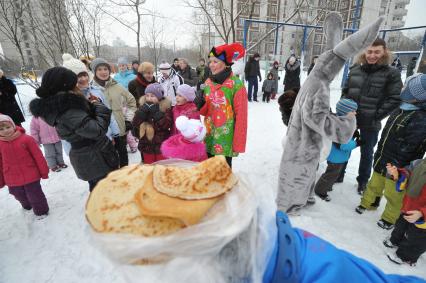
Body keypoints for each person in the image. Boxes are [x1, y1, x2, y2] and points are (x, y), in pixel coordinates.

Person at [276, 13, 381, 213]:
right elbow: (318, 120)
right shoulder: (320, 86)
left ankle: (302, 199)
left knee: (299, 174)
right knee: (299, 175)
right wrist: (347, 122)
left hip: (297, 140)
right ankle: (290, 208)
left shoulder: (312, 80)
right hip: (305, 144)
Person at [29, 67, 119, 191]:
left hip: (91, 156)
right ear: (64, 86)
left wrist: (91, 105)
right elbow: (96, 130)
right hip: (95, 158)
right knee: (105, 193)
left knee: (101, 190)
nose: (77, 84)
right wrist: (99, 106)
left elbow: (84, 123)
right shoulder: (67, 109)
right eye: (74, 82)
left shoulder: (64, 105)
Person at [355, 74, 426, 230]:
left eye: (407, 88)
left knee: (394, 194)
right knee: (374, 184)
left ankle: (389, 218)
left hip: (397, 167)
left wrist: (397, 166)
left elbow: (411, 146)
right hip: (382, 157)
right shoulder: (401, 109)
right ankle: (369, 203)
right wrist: (380, 152)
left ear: (416, 96)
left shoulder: (421, 118)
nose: (403, 88)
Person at [342, 38, 402, 195]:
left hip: (371, 122)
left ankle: (362, 181)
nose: (372, 55)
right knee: (343, 147)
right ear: (364, 51)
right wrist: (345, 109)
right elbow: (346, 91)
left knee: (367, 153)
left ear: (384, 52)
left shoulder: (392, 74)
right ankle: (338, 174)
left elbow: (395, 98)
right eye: (369, 51)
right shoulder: (355, 69)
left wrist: (376, 115)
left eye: (377, 52)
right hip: (351, 118)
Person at [200, 42, 248, 168]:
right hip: (209, 134)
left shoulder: (237, 85)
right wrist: (200, 103)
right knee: (208, 169)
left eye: (215, 61)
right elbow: (205, 110)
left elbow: (241, 116)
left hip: (226, 138)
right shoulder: (208, 82)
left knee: (224, 172)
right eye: (210, 61)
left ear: (226, 63)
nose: (211, 65)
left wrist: (238, 142)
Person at [0, 114, 49, 217]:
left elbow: (38, 156)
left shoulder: (26, 139)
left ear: (13, 126)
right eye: (1, 129)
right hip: (11, 176)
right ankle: (27, 205)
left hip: (30, 173)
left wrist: (44, 171)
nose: (5, 130)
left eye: (7, 127)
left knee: (35, 194)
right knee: (17, 194)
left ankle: (41, 211)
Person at [63, 53, 120, 141]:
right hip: (86, 144)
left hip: (106, 136)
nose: (84, 79)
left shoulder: (96, 91)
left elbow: (108, 112)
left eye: (84, 75)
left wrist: (115, 132)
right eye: (79, 76)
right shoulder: (69, 99)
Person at [91, 58, 137, 168]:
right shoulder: (91, 90)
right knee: (107, 164)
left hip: (120, 131)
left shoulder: (117, 87)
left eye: (105, 69)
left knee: (123, 162)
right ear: (94, 72)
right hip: (103, 134)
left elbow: (132, 102)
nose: (103, 72)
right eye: (99, 69)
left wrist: (127, 120)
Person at [314, 99, 360, 201]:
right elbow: (343, 145)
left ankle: (327, 186)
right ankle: (320, 190)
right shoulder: (342, 125)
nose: (355, 113)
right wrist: (356, 143)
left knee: (333, 174)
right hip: (336, 157)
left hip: (338, 156)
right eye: (353, 111)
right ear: (345, 112)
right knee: (331, 174)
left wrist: (353, 134)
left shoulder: (340, 121)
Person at [383, 158, 426, 266]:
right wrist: (396, 173)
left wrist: (422, 213)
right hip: (409, 206)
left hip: (423, 216)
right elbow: (406, 174)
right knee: (401, 226)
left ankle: (407, 257)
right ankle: (395, 240)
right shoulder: (418, 163)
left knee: (416, 238)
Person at [132, 83, 172, 164]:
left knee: (162, 167)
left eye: (152, 96)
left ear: (159, 97)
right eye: (147, 95)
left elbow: (167, 124)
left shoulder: (165, 108)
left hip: (160, 145)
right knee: (149, 168)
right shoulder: (142, 107)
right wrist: (141, 113)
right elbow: (135, 125)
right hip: (147, 146)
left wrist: (157, 113)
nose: (149, 98)